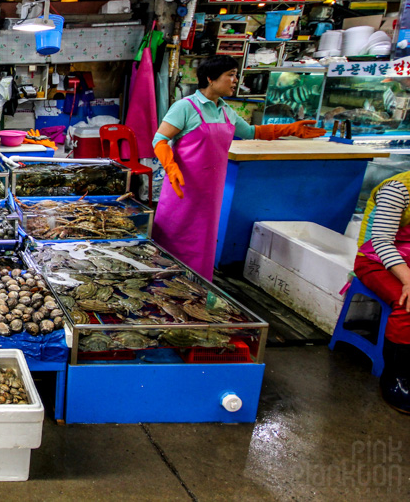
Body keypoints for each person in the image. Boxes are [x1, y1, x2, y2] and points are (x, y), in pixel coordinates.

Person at [151, 55, 324, 280]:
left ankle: (197, 289)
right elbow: (160, 140)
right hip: (182, 189)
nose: (235, 80)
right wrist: (171, 166)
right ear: (211, 79)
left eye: (236, 75)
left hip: (210, 193)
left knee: (202, 243)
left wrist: (289, 129)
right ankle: (164, 287)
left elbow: (253, 132)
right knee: (174, 239)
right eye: (230, 75)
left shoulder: (226, 111)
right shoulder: (185, 107)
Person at [353, 174, 410, 413]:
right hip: (379, 260)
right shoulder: (398, 189)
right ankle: (398, 377)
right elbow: (381, 241)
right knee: (407, 305)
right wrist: (407, 280)